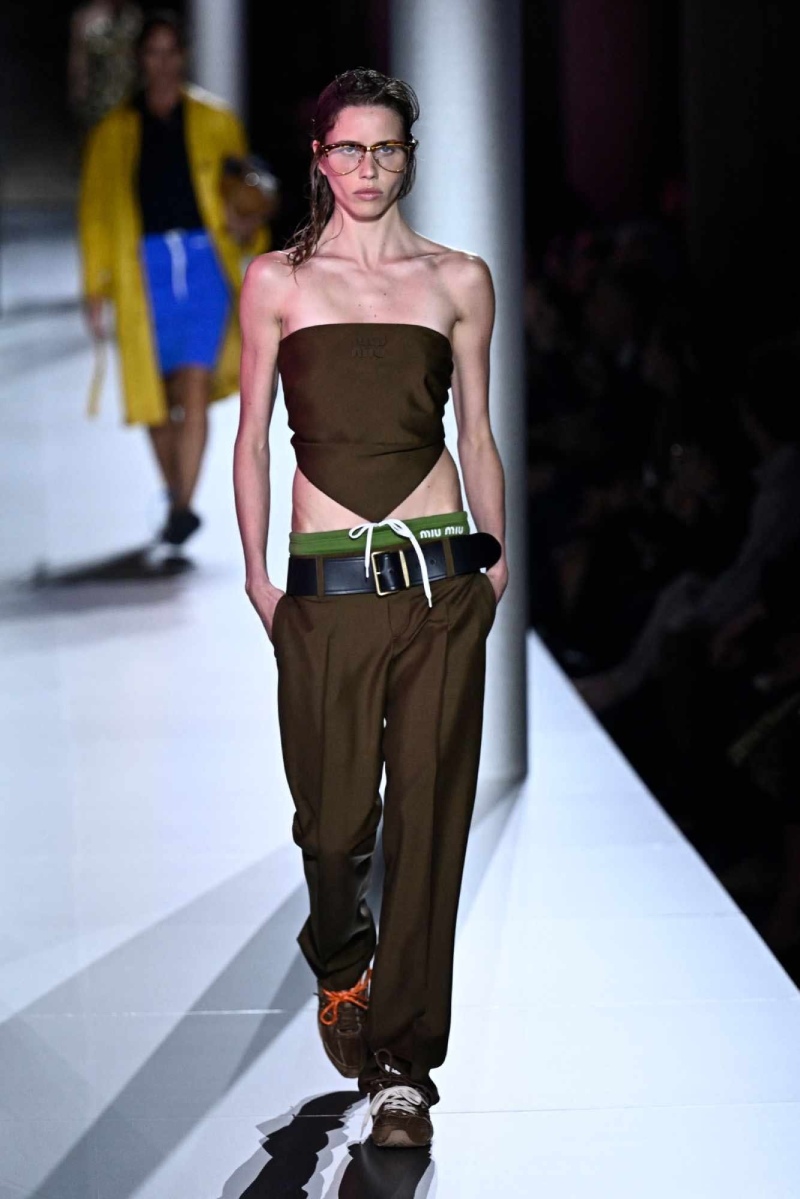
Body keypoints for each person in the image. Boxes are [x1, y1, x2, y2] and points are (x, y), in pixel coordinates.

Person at [233, 68, 507, 1148]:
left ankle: (403, 1070)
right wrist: (257, 576)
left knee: (429, 824)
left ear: (409, 157)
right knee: (335, 824)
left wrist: (493, 564)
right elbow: (252, 436)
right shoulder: (276, 281)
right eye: (347, 148)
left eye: (385, 149)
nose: (366, 168)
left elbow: (475, 428)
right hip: (325, 591)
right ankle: (342, 956)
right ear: (318, 158)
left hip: (442, 583)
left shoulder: (457, 278)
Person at [78, 10, 269, 547]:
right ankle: (175, 492)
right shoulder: (113, 133)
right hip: (144, 271)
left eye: (170, 52)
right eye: (152, 52)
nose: (162, 63)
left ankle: (183, 506)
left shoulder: (215, 120)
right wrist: (95, 287)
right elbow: (96, 213)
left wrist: (248, 229)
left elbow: (244, 189)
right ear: (140, 59)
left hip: (204, 261)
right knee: (155, 400)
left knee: (194, 384)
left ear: (183, 56)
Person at [68, 0, 143, 134]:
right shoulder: (87, 19)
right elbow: (78, 62)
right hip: (97, 102)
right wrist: (78, 96)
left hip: (128, 99)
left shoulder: (133, 17)